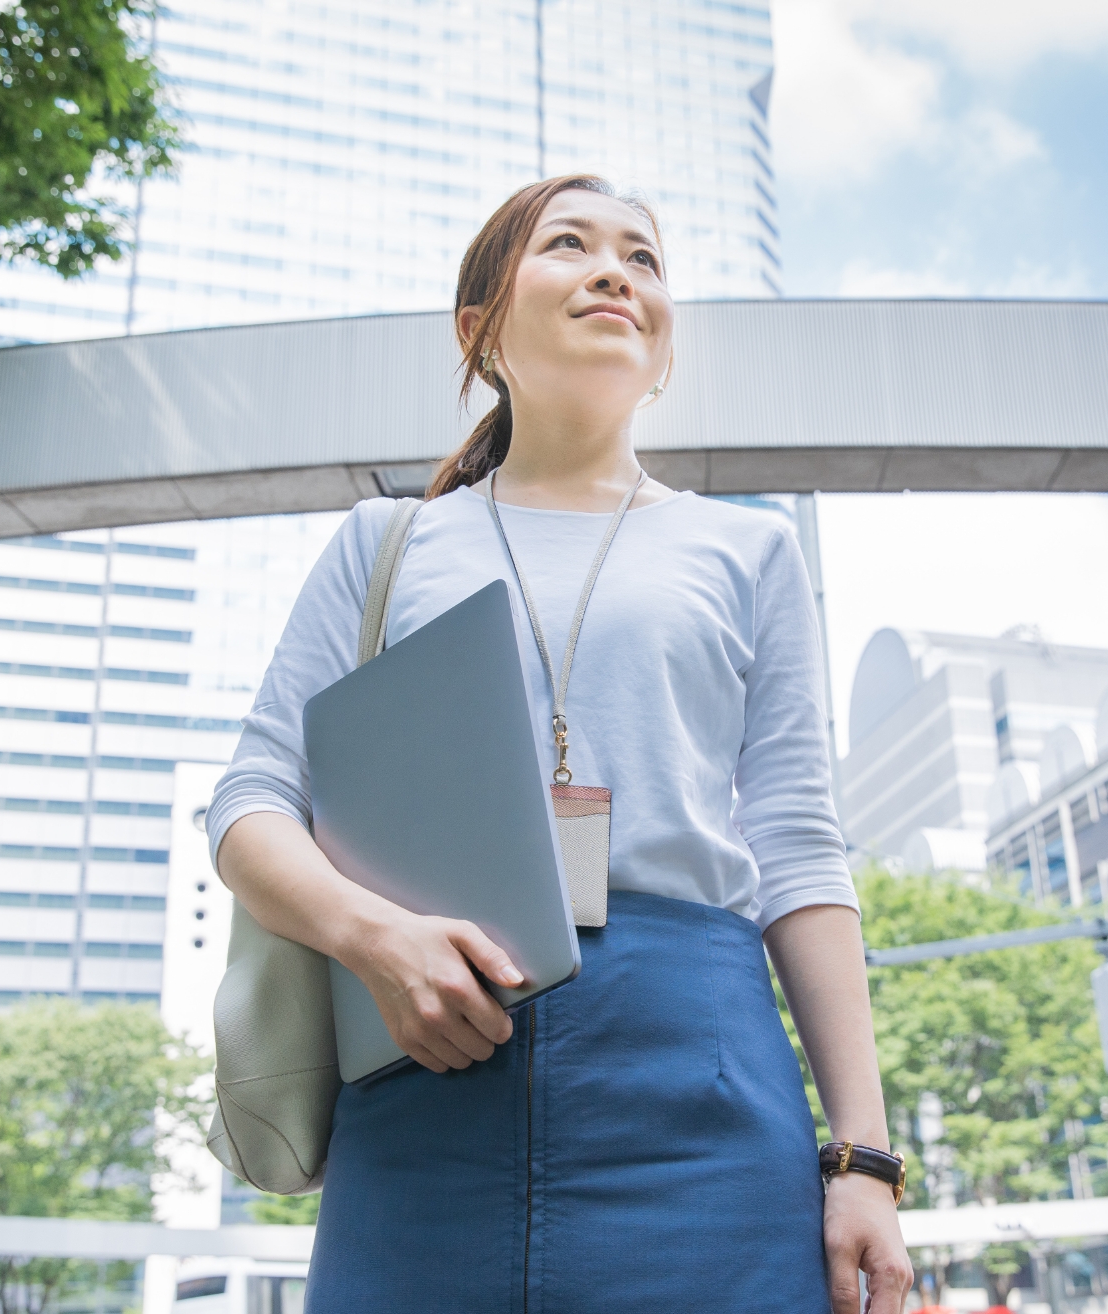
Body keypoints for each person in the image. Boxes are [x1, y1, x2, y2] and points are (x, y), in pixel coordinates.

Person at [208, 174, 914, 1312]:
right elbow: (249, 800)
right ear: (477, 328)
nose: (615, 271)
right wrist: (374, 939)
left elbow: (796, 848)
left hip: (703, 1082)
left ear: (664, 341)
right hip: (427, 1061)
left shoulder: (750, 552)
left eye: (643, 258)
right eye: (571, 245)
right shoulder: (387, 544)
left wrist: (863, 1158)